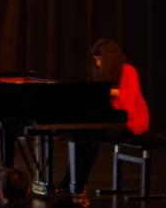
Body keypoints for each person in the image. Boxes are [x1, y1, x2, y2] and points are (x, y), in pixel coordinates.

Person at [60, 38, 149, 196]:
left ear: (109, 58)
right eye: (96, 60)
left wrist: (111, 92)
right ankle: (74, 182)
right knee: (81, 135)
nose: (98, 64)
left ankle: (77, 183)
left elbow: (132, 96)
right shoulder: (106, 75)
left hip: (131, 122)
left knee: (89, 138)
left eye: (99, 59)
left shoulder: (128, 70)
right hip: (113, 120)